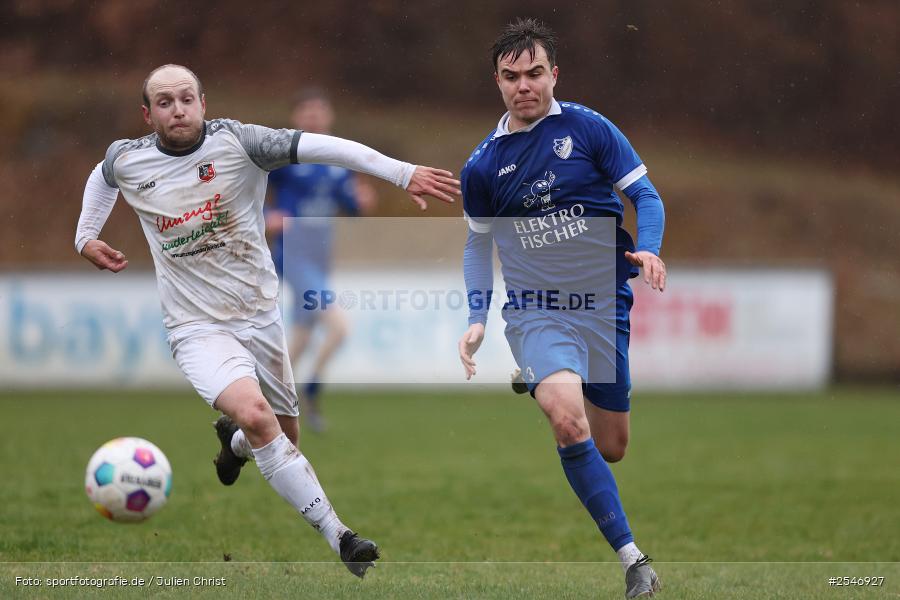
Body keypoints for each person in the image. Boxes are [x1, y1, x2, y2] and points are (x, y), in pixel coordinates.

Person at [75, 64, 460, 577]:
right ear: (148, 115)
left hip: (260, 316)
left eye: (186, 98)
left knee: (282, 434)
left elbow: (327, 147)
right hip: (195, 327)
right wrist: (86, 236)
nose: (178, 109)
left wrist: (400, 172)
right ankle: (342, 536)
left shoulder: (241, 142)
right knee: (257, 416)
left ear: (203, 103)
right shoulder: (130, 158)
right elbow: (102, 177)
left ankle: (232, 445)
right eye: (164, 102)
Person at [457, 20, 665, 598]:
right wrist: (477, 317)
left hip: (605, 306)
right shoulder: (482, 167)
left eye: (534, 73)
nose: (524, 85)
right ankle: (633, 561)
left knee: (611, 446)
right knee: (567, 418)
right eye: (511, 76)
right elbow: (477, 244)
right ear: (496, 82)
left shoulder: (589, 128)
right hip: (536, 309)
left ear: (554, 74)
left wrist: (647, 247)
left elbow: (644, 195)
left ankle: (549, 381)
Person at [266, 88, 377, 432]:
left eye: (319, 110)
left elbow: (352, 208)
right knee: (339, 327)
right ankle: (309, 393)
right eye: (306, 110)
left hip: (320, 257)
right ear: (296, 117)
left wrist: (362, 202)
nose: (313, 116)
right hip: (292, 253)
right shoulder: (284, 157)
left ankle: (268, 403)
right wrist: (266, 214)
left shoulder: (338, 163)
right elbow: (245, 189)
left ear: (329, 116)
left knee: (300, 336)